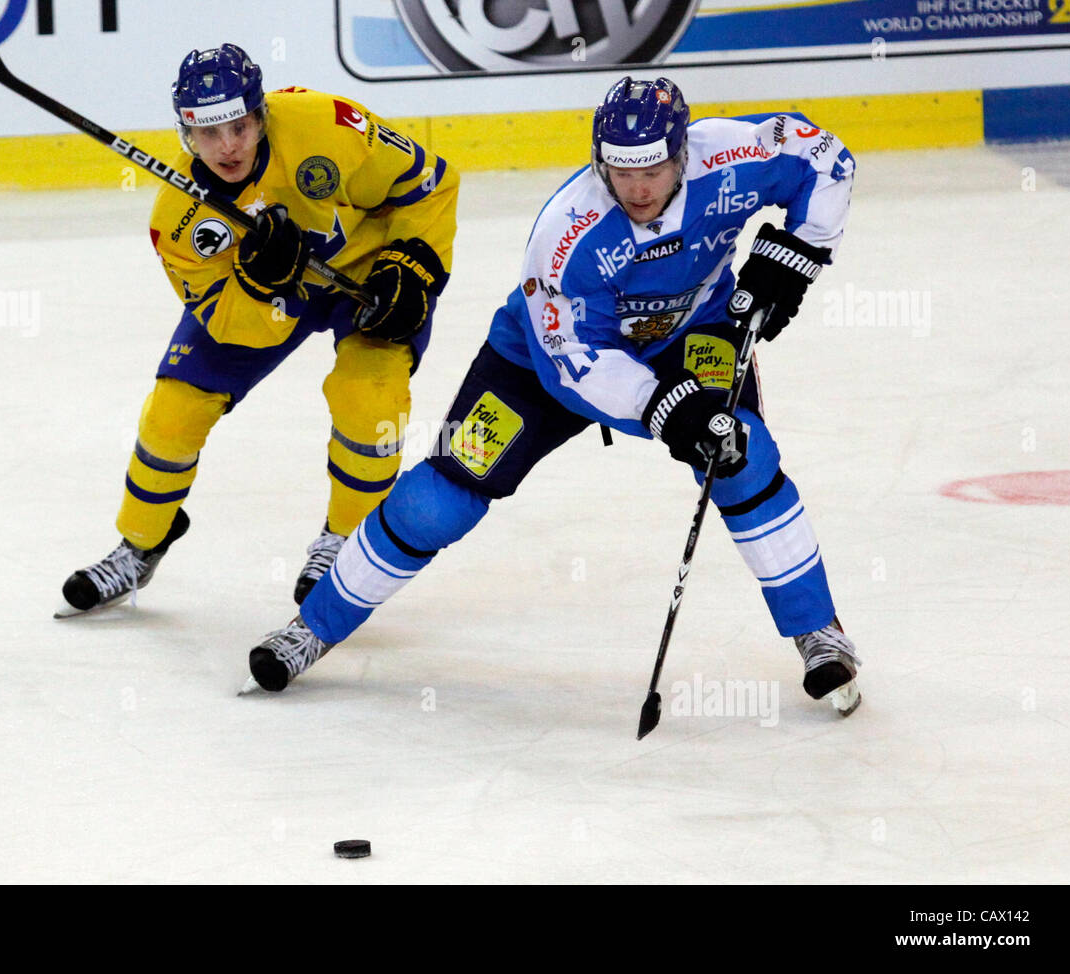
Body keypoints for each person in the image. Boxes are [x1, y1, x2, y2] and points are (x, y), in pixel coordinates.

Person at [244, 77, 863, 715]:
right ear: (600, 162)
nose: (639, 189)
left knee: (741, 456)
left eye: (653, 167)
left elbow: (827, 159)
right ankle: (311, 629)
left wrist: (797, 253)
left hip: (691, 332)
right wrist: (665, 404)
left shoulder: (733, 154)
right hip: (540, 362)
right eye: (621, 172)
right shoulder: (569, 232)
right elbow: (577, 363)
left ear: (683, 151)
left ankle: (819, 629)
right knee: (442, 498)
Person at [56, 45, 458, 617]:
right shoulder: (178, 222)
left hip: (368, 270)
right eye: (207, 132)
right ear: (185, 134)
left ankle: (346, 544)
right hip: (266, 299)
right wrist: (259, 280)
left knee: (370, 401)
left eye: (239, 126)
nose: (227, 147)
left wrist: (415, 266)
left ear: (261, 114)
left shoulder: (327, 125)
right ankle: (140, 543)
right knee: (173, 410)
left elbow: (431, 184)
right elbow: (239, 329)